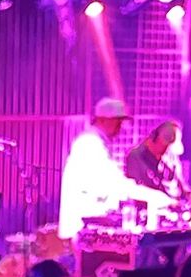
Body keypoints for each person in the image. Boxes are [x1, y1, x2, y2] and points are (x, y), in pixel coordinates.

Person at [59, 97, 170, 239]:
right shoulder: (90, 144)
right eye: (117, 122)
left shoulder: (97, 143)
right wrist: (153, 196)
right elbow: (115, 184)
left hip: (90, 229)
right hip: (82, 231)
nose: (120, 127)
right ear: (103, 120)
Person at [125, 120, 183, 197]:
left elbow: (182, 185)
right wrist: (163, 199)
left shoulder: (171, 158)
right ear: (157, 138)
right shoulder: (135, 157)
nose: (167, 149)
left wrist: (190, 195)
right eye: (166, 144)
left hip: (175, 205)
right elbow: (133, 189)